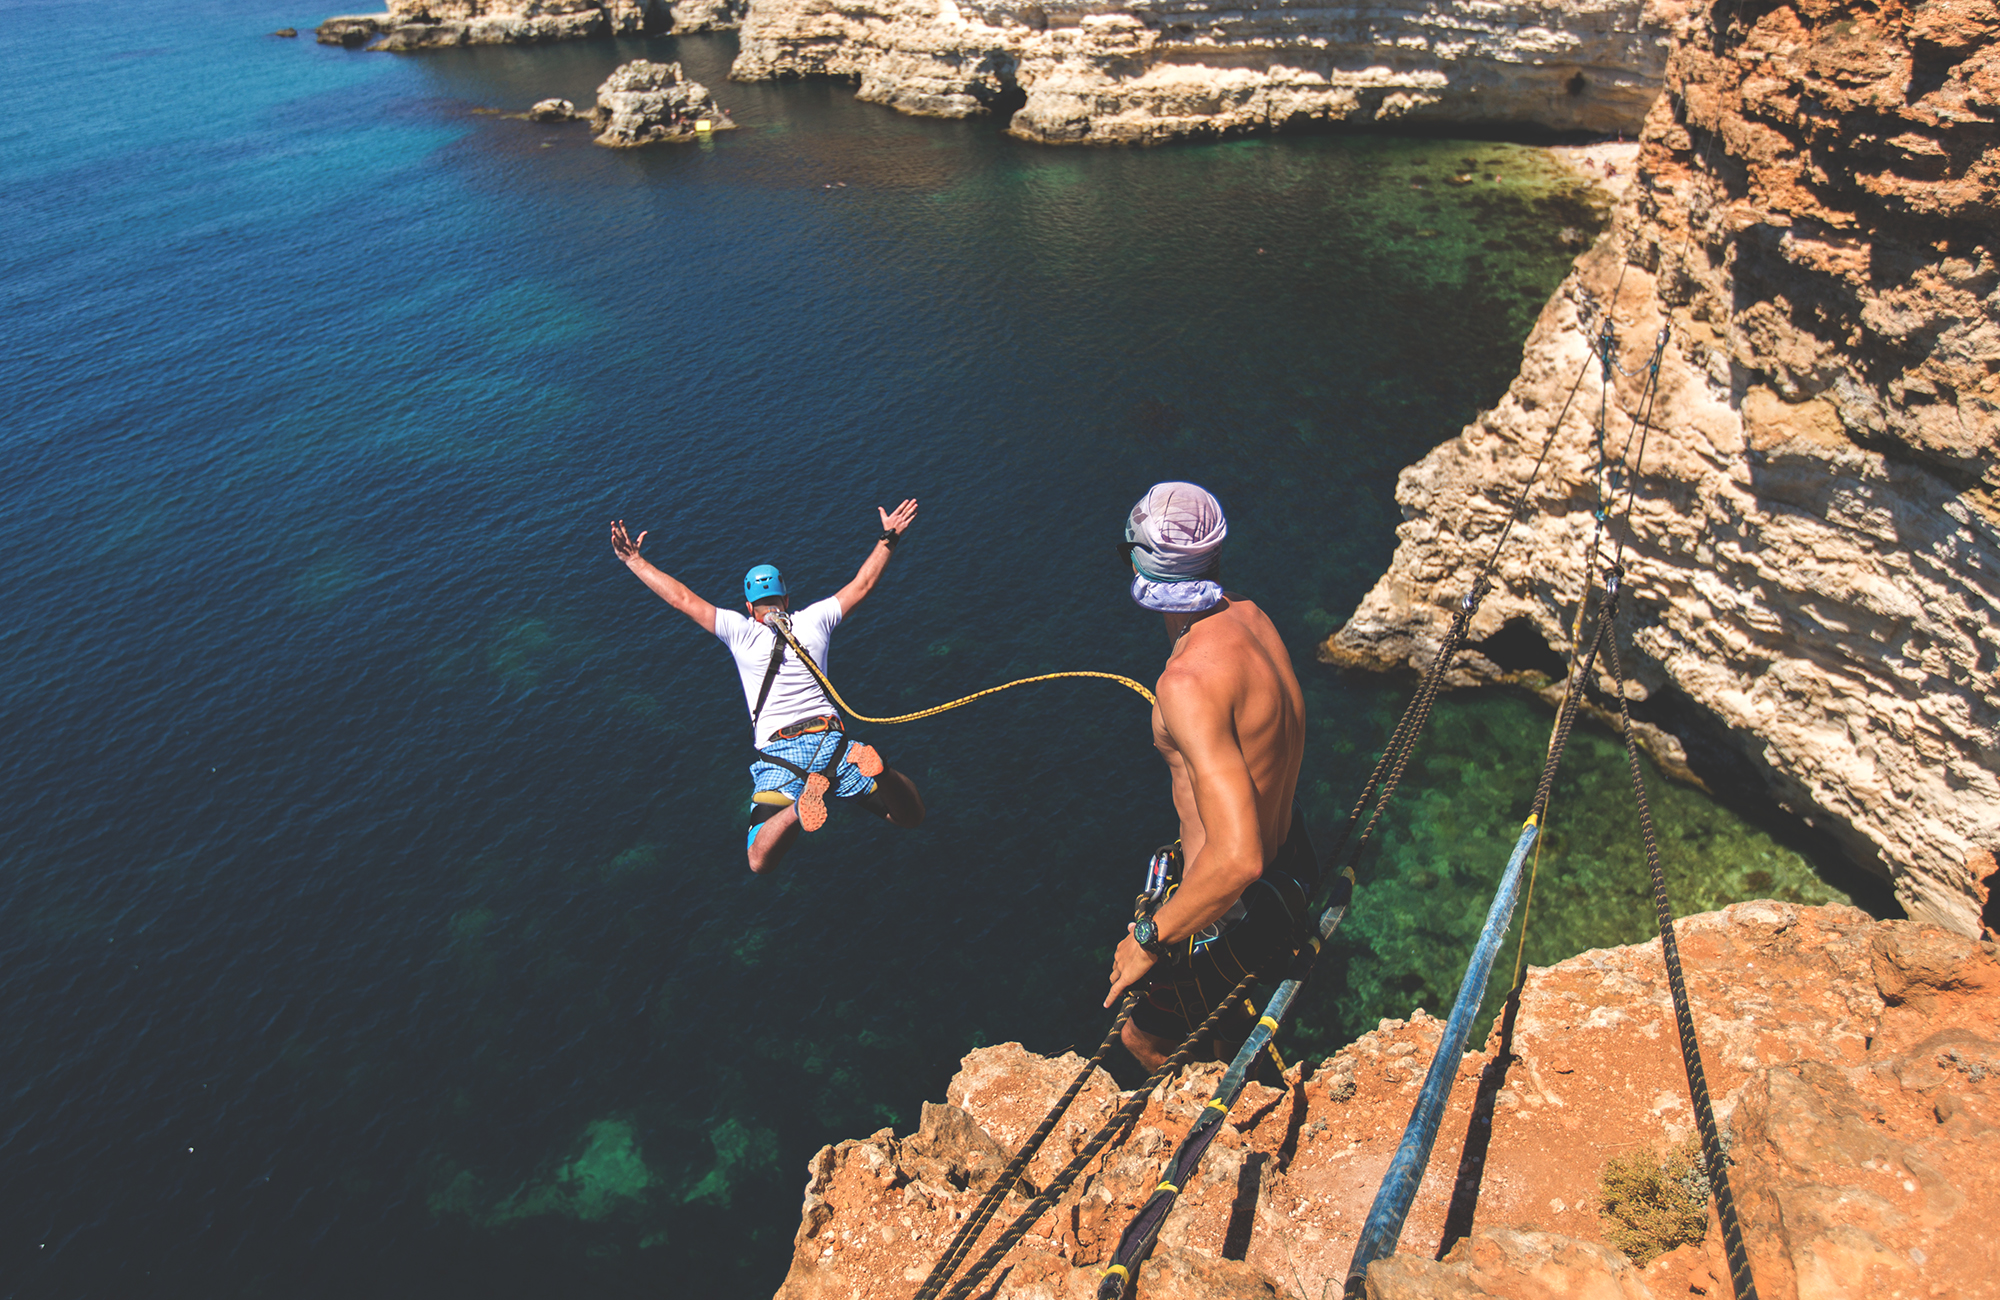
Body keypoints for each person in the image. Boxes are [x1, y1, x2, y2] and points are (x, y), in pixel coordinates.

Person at [1103, 482, 1317, 1071]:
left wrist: (1148, 938)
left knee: (1142, 1041)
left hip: (1228, 913)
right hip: (1289, 870)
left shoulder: (1187, 684)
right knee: (1229, 1038)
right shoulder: (1252, 616)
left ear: (1143, 568)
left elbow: (1237, 856)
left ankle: (1220, 1147)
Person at [609, 501, 927, 873]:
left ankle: (796, 808)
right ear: (787, 600)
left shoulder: (740, 631)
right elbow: (864, 583)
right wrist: (888, 536)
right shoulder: (815, 620)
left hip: (781, 751)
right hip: (834, 741)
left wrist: (634, 561)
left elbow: (683, 599)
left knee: (759, 859)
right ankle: (881, 770)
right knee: (908, 817)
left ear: (748, 607)